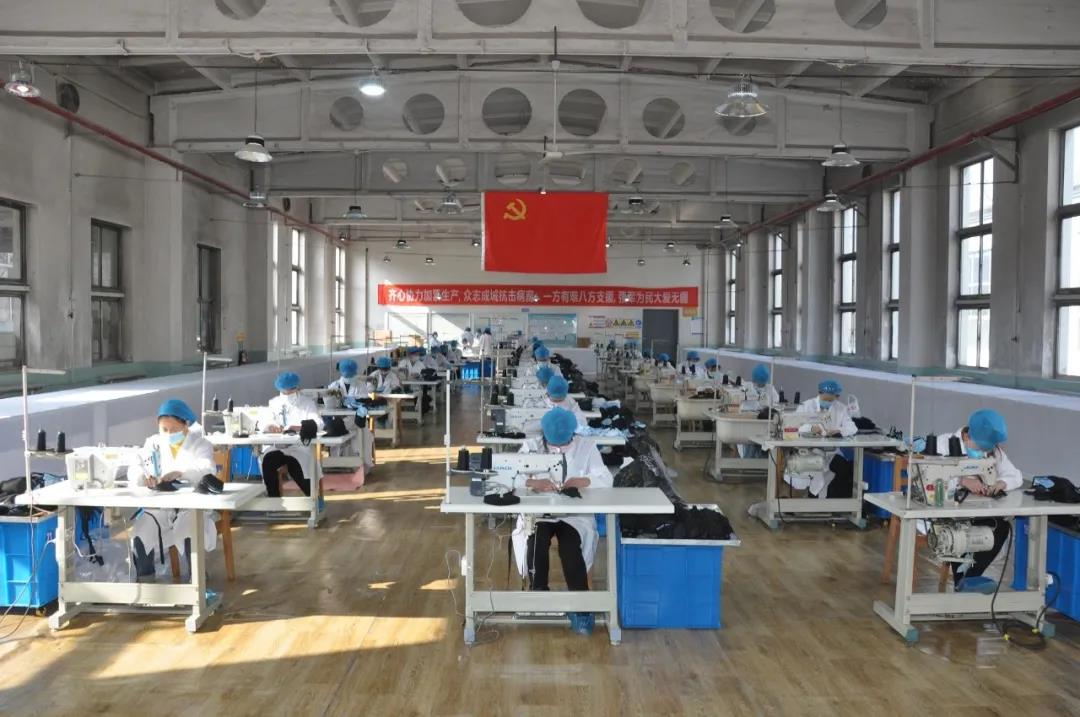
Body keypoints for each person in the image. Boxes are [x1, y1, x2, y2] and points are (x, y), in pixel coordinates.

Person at [513, 408, 613, 636]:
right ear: (544, 435)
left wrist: (583, 481)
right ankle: (539, 595)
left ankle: (581, 607)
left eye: (564, 444)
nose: (559, 448)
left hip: (574, 514)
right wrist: (532, 483)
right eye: (553, 444)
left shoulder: (586, 447)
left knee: (570, 547)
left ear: (572, 434)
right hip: (540, 510)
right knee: (536, 540)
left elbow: (606, 478)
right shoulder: (532, 447)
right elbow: (512, 474)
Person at [920, 409, 1021, 593]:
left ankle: (968, 580)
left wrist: (1000, 483)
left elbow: (1016, 475)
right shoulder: (943, 444)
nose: (983, 453)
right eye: (979, 448)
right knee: (957, 531)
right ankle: (964, 581)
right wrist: (962, 481)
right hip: (944, 511)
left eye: (985, 450)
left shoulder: (995, 452)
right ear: (967, 436)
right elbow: (928, 477)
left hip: (976, 510)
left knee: (1000, 526)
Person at [128, 399, 217, 579]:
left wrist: (182, 473)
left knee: (189, 531)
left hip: (190, 508)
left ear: (186, 424)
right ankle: (146, 582)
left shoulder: (200, 444)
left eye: (174, 429)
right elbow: (135, 466)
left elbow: (207, 468)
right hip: (161, 508)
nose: (169, 434)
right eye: (164, 429)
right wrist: (142, 477)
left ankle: (198, 581)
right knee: (142, 531)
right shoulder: (153, 443)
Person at [787, 379, 858, 498]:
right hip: (809, 451)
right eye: (825, 399)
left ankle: (834, 500)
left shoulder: (840, 408)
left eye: (831, 400)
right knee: (814, 471)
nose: (828, 402)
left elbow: (853, 428)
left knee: (845, 468)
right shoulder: (806, 406)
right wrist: (810, 428)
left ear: (837, 397)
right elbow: (793, 426)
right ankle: (811, 497)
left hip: (830, 452)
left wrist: (840, 430)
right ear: (819, 393)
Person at [258, 372, 321, 497]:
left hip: (300, 448)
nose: (287, 393)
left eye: (290, 390)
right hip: (278, 447)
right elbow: (264, 421)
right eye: (284, 391)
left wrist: (299, 428)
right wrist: (271, 426)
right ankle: (274, 500)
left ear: (297, 387)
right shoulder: (274, 403)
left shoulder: (307, 403)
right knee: (268, 461)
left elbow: (317, 423)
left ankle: (312, 499)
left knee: (298, 467)